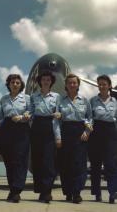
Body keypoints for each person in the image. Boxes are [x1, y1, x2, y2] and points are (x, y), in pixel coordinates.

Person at [56, 73, 92, 204]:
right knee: (65, 164)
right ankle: (68, 192)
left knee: (80, 164)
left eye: (74, 83)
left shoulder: (84, 100)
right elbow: (57, 120)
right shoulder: (60, 101)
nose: (72, 85)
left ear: (78, 85)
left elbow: (90, 117)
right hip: (65, 131)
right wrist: (58, 137)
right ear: (66, 85)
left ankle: (77, 192)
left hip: (80, 132)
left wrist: (87, 131)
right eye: (69, 83)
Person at [30, 70, 61, 203]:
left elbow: (59, 114)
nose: (46, 81)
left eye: (48, 79)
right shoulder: (33, 96)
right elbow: (31, 113)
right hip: (36, 126)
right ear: (40, 81)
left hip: (50, 125)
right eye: (44, 79)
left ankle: (47, 191)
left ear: (51, 82)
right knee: (37, 161)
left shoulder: (57, 96)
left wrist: (58, 136)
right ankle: (40, 190)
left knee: (48, 161)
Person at [0, 74, 31, 203]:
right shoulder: (3, 99)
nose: (15, 84)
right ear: (9, 84)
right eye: (13, 82)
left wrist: (23, 117)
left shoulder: (27, 98)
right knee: (8, 161)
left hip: (21, 129)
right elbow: (0, 117)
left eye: (17, 82)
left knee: (20, 160)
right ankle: (12, 188)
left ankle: (16, 190)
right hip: (6, 128)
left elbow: (31, 112)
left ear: (21, 85)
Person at [88, 75, 117, 204]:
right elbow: (89, 117)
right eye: (99, 84)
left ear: (109, 86)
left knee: (110, 164)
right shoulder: (92, 101)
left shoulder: (115, 102)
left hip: (110, 133)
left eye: (104, 84)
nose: (101, 86)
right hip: (96, 133)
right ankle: (97, 193)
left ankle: (112, 192)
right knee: (96, 166)